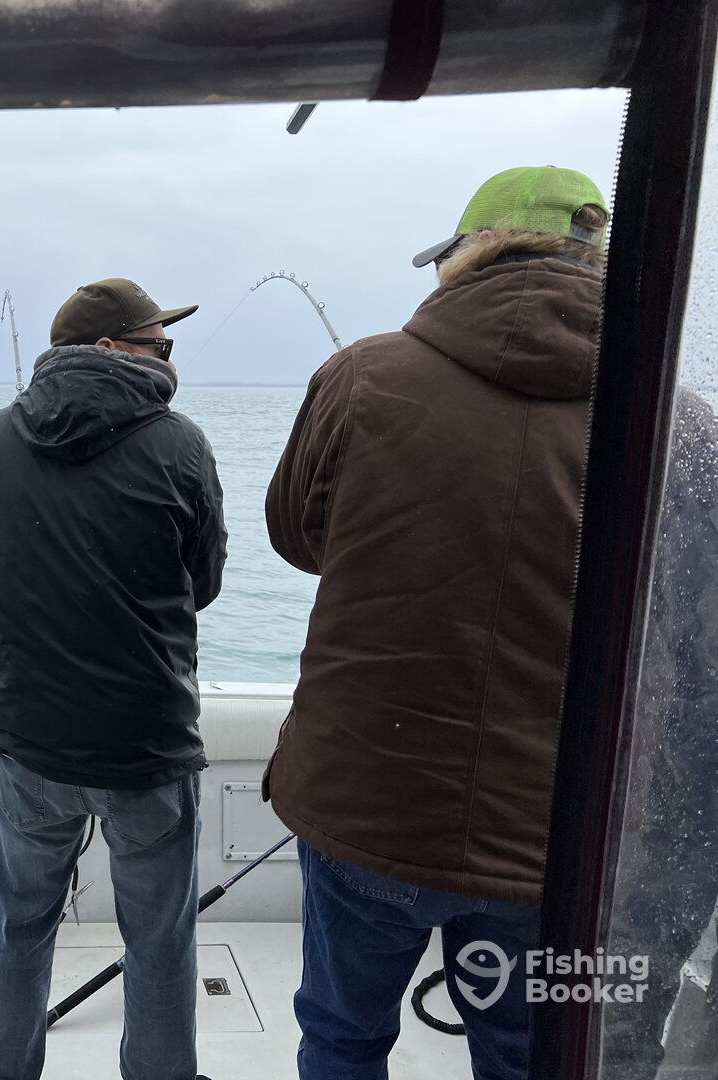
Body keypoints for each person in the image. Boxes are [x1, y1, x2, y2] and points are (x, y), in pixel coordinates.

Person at [263, 166, 609, 1080]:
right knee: (529, 1055)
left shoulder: (362, 374)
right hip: (551, 832)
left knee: (342, 1038)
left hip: (365, 800)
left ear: (474, 252)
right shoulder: (671, 419)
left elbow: (297, 537)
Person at [0, 278, 227, 1080]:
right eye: (161, 344)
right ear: (112, 348)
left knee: (20, 926)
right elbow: (203, 584)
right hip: (148, 747)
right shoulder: (183, 445)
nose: (171, 357)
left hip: (31, 747)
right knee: (159, 940)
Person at [603, 387, 718, 1077]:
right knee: (633, 981)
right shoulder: (696, 431)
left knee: (620, 975)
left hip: (670, 767)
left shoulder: (654, 427)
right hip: (684, 766)